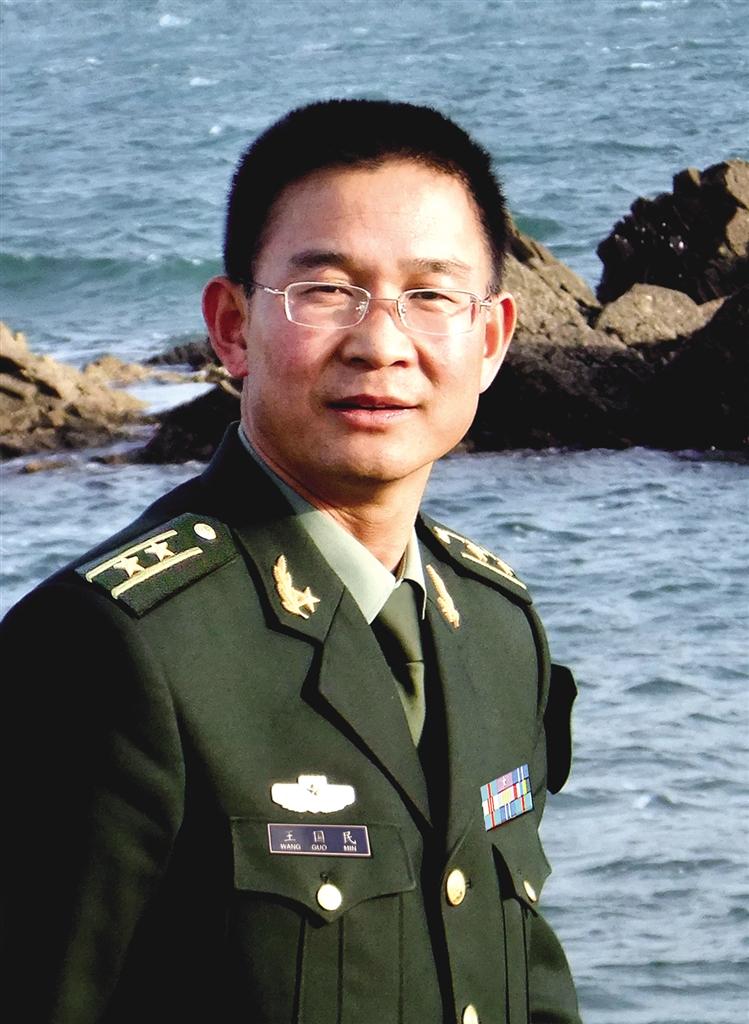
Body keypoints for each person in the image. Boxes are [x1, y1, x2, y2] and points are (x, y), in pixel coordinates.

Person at [0, 99, 580, 1023]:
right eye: (326, 291)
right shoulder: (111, 648)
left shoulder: (497, 630)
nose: (380, 344)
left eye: (431, 296)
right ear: (232, 328)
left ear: (492, 339)